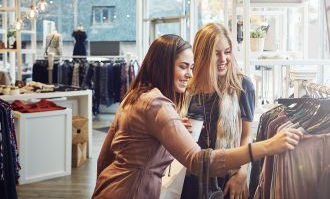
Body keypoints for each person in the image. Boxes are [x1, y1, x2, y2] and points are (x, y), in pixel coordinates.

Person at [92, 34, 302, 199]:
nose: (190, 74)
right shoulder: (158, 104)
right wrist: (268, 146)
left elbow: (105, 156)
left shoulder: (136, 96)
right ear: (164, 66)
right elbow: (198, 161)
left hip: (111, 186)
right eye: (183, 67)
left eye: (191, 67)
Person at [180, 22, 255, 199]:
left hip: (227, 178)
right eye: (216, 53)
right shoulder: (187, 89)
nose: (223, 59)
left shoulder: (242, 86)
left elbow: (246, 135)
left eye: (227, 52)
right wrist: (177, 126)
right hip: (190, 177)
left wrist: (242, 174)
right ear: (203, 54)